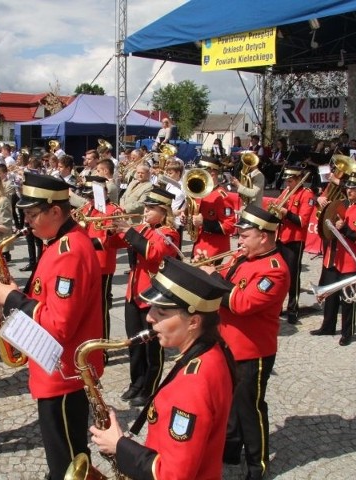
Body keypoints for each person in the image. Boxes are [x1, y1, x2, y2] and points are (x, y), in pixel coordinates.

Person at [0, 172, 103, 480]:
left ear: (56, 211)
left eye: (31, 214)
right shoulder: (58, 243)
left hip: (63, 369)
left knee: (67, 458)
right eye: (25, 214)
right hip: (56, 365)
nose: (26, 221)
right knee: (65, 451)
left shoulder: (69, 252)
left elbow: (60, 324)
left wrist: (14, 298)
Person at [90, 257, 235, 479]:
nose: (149, 317)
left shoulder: (192, 385)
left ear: (194, 322)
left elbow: (172, 475)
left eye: (162, 313)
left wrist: (119, 446)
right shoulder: (212, 350)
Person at [200, 204, 289, 480]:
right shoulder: (242, 258)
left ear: (264, 236)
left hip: (253, 351)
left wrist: (213, 276)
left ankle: (257, 466)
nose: (239, 240)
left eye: (245, 235)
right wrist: (210, 268)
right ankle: (229, 450)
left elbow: (241, 303)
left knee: (250, 409)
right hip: (227, 343)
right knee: (228, 403)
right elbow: (223, 288)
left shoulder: (275, 270)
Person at [108, 187, 180, 407]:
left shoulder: (169, 233)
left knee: (152, 348)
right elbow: (116, 243)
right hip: (133, 292)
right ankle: (136, 383)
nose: (146, 211)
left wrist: (130, 231)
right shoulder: (143, 227)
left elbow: (153, 253)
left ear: (164, 210)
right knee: (134, 343)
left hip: (152, 297)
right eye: (146, 207)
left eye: (151, 208)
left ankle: (150, 388)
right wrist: (112, 229)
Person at [311, 172, 356, 346]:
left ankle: (347, 332)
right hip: (332, 257)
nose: (349, 191)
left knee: (347, 299)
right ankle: (328, 326)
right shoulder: (339, 204)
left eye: (354, 188)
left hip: (348, 261)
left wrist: (345, 229)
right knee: (329, 294)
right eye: (348, 188)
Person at [79, 176, 122, 346]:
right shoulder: (86, 208)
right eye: (88, 196)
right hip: (84, 263)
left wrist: (84, 243)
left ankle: (103, 346)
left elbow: (109, 239)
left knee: (101, 306)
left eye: (92, 195)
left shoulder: (114, 210)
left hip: (102, 264)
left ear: (104, 192)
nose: (89, 199)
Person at [271, 165, 316, 324]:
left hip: (295, 240)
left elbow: (302, 221)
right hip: (281, 237)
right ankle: (276, 307)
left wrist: (286, 213)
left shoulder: (307, 194)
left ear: (298, 180)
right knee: (277, 275)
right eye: (286, 181)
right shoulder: (286, 192)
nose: (287, 184)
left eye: (290, 181)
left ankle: (292, 309)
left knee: (292, 276)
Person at [190, 158, 236, 260]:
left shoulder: (221, 196)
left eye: (202, 173)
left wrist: (204, 223)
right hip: (199, 242)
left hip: (214, 248)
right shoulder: (200, 192)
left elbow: (229, 226)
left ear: (212, 174)